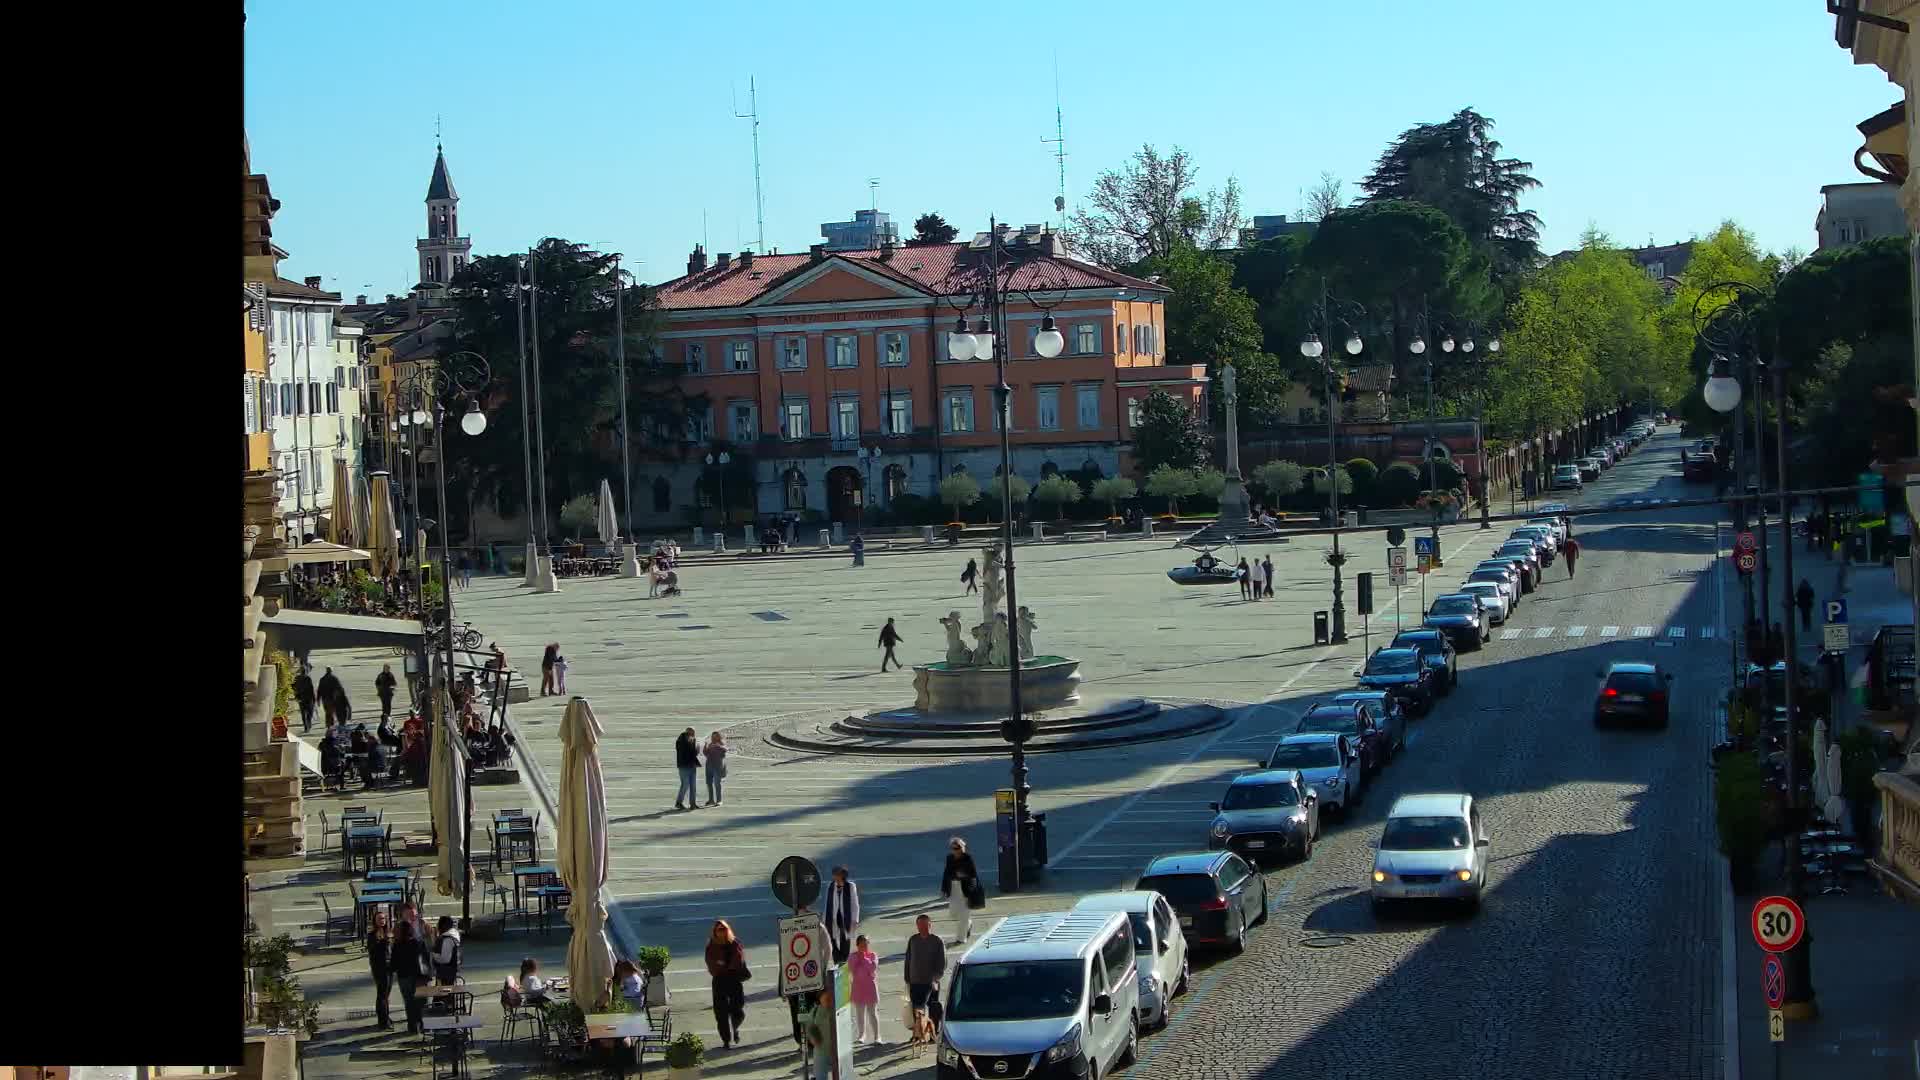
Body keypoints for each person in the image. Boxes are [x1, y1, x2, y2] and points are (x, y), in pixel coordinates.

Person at [704, 919, 749, 1049]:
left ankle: (735, 1027)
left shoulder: (734, 942)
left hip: (733, 978)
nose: (721, 932)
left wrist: (727, 965)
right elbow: (710, 961)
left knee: (738, 1008)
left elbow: (739, 958)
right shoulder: (712, 945)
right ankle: (726, 1040)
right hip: (719, 979)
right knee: (720, 1012)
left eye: (724, 929)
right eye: (719, 930)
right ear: (715, 932)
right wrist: (720, 965)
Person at [903, 914, 947, 1037]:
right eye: (920, 925)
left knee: (933, 1007)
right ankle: (917, 1034)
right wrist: (907, 978)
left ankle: (934, 1033)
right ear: (917, 926)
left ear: (930, 925)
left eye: (925, 925)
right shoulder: (913, 940)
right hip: (915, 981)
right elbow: (908, 959)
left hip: (930, 981)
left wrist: (936, 978)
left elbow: (942, 962)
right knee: (916, 1009)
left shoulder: (937, 941)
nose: (922, 927)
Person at [392, 918, 429, 1035]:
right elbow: (426, 959)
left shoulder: (397, 945)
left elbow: (393, 964)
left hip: (404, 977)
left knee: (409, 1003)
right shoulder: (418, 942)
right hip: (419, 977)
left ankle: (413, 1027)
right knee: (421, 1003)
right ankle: (423, 1025)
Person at [940, 837, 980, 945]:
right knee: (953, 914)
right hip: (953, 888)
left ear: (963, 847)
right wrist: (943, 889)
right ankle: (968, 924)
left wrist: (964, 876)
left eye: (959, 848)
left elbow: (973, 875)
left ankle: (961, 938)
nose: (957, 850)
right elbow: (946, 874)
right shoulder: (949, 858)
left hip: (965, 888)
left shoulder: (968, 858)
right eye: (954, 848)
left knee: (964, 915)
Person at [823, 866, 860, 966]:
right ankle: (838, 960)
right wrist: (825, 919)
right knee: (831, 940)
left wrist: (855, 919)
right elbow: (828, 903)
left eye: (836, 874)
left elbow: (855, 903)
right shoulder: (831, 886)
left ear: (842, 875)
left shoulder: (850, 886)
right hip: (833, 917)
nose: (834, 876)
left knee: (845, 940)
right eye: (834, 874)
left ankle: (843, 961)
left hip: (846, 917)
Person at [848, 934, 880, 1045]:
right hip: (858, 988)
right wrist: (858, 959)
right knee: (860, 1013)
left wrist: (864, 959)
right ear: (857, 945)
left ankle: (877, 1036)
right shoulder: (853, 956)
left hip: (870, 987)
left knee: (872, 1013)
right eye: (861, 945)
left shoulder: (873, 955)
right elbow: (851, 969)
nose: (864, 947)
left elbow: (872, 968)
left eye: (866, 944)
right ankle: (861, 1035)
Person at [366, 907, 394, 1030]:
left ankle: (385, 1016)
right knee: (382, 994)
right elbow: (373, 951)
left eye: (383, 918)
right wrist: (383, 941)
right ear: (375, 921)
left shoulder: (388, 932)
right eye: (379, 919)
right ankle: (383, 1021)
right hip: (380, 968)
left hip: (389, 967)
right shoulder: (373, 935)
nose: (382, 921)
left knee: (386, 994)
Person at [804, 986, 834, 1078]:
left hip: (836, 1049)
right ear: (820, 998)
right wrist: (813, 1038)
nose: (827, 1000)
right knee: (820, 1075)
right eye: (825, 998)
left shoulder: (837, 1011)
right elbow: (809, 1026)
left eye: (829, 998)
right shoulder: (815, 1011)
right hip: (821, 1050)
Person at [674, 727, 702, 810]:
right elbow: (683, 751)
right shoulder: (680, 741)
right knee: (685, 784)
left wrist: (697, 750)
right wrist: (691, 746)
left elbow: (692, 753)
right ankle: (679, 802)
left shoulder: (692, 740)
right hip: (684, 766)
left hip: (692, 765)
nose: (693, 735)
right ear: (687, 733)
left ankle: (693, 803)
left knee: (693, 785)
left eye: (693, 733)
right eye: (691, 733)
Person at [432, 915, 462, 985]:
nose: (438, 926)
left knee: (443, 994)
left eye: (439, 924)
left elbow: (445, 959)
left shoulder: (447, 939)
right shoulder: (453, 935)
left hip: (445, 974)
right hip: (451, 972)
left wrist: (433, 955)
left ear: (443, 926)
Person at [703, 731, 729, 806]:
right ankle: (711, 800)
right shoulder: (710, 744)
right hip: (709, 766)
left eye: (715, 736)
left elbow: (725, 750)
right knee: (709, 783)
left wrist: (718, 746)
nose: (714, 738)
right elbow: (705, 753)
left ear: (719, 737)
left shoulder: (721, 744)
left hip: (718, 767)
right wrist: (705, 746)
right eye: (713, 736)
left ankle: (719, 800)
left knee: (717, 784)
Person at [293, 667, 317, 732]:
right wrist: (314, 698)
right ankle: (308, 723)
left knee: (303, 712)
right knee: (310, 712)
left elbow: (292, 686)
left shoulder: (296, 678)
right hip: (308, 698)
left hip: (300, 698)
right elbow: (311, 689)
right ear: (305, 671)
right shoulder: (308, 678)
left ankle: (306, 726)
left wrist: (296, 695)